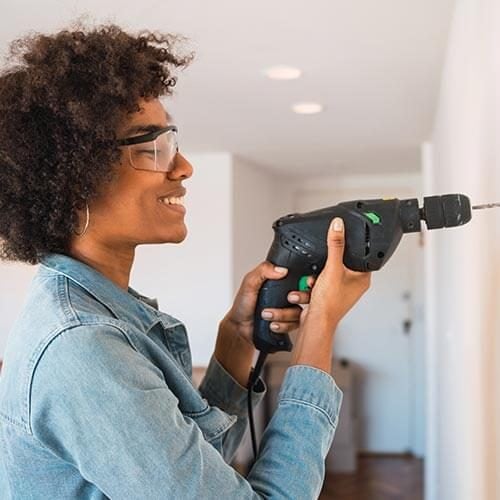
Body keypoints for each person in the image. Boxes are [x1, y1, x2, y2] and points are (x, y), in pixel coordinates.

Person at [0, 24, 371, 499]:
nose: (184, 167)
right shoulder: (84, 349)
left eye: (170, 141)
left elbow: (195, 467)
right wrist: (321, 328)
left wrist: (236, 341)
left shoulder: (102, 318)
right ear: (72, 179)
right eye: (151, 148)